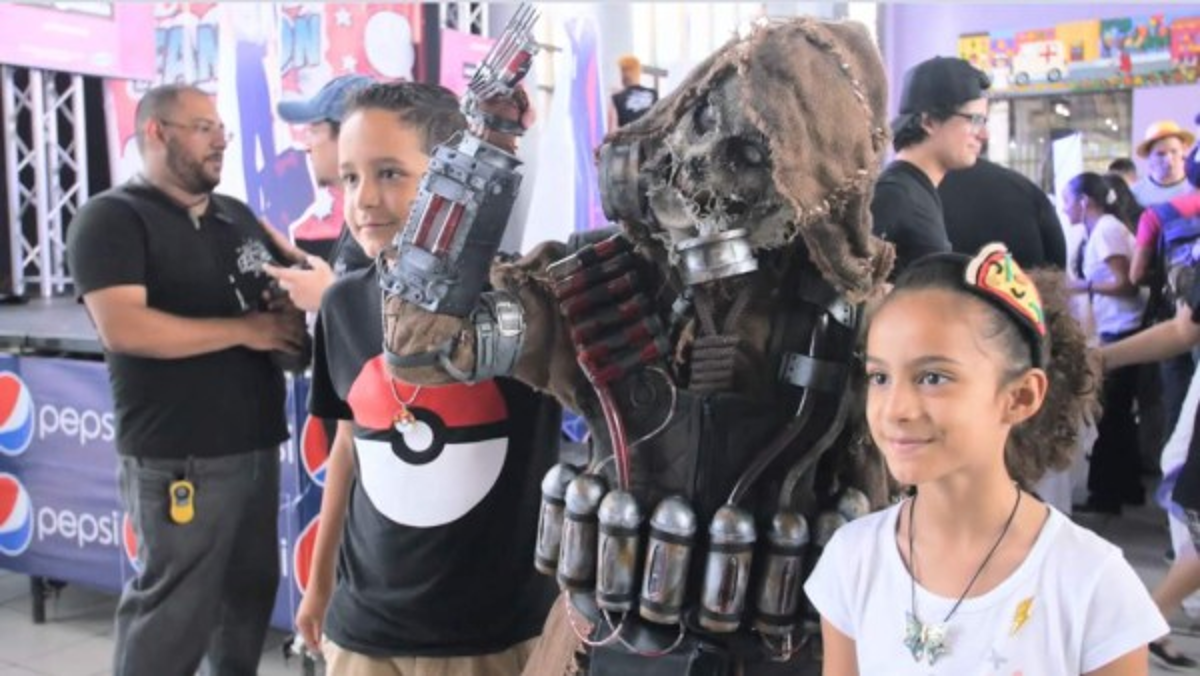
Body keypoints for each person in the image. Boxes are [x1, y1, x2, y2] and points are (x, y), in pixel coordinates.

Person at [805, 243, 1166, 674]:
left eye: (933, 377)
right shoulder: (852, 558)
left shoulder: (1092, 585)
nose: (895, 408)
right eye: (880, 377)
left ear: (1020, 397)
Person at [297, 81, 557, 675]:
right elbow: (348, 445)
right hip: (364, 632)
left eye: (390, 173)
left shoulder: (523, 303)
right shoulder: (344, 305)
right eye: (350, 178)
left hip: (493, 636)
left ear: (454, 180)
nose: (364, 199)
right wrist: (319, 580)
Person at [66, 84, 308, 675]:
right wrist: (245, 331)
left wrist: (290, 317)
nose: (221, 140)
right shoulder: (113, 218)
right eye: (203, 128)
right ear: (157, 132)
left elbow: (280, 318)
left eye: (222, 128)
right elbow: (124, 328)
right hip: (181, 455)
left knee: (247, 602)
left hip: (256, 445)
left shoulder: (237, 217)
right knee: (174, 613)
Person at [1061, 172, 1146, 514]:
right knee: (1118, 414)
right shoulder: (1101, 230)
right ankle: (1126, 487)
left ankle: (1107, 494)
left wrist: (1081, 286)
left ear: (1085, 201)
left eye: (1068, 201)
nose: (1065, 208)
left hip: (1122, 329)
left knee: (1111, 415)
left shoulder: (1107, 230)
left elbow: (1125, 283)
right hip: (1116, 327)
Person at [264, 74, 376, 312]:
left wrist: (328, 298)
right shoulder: (362, 212)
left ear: (348, 135)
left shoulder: (385, 219)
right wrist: (298, 258)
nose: (307, 146)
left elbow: (404, 321)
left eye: (314, 130)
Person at [873, 56, 991, 274]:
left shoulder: (916, 189)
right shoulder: (895, 195)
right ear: (929, 121)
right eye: (975, 120)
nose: (984, 134)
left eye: (984, 122)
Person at [940, 154, 1066, 268]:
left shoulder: (932, 190)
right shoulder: (1021, 187)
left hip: (943, 282)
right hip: (1025, 282)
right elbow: (1058, 260)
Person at [1131, 120, 1195, 209]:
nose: (1168, 159)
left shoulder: (1195, 188)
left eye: (1174, 151)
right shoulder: (1136, 193)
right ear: (1149, 157)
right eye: (1160, 154)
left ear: (1184, 151)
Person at [608, 54, 658, 129]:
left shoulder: (617, 98)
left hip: (628, 136)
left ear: (623, 74)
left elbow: (611, 131)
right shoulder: (653, 94)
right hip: (652, 136)